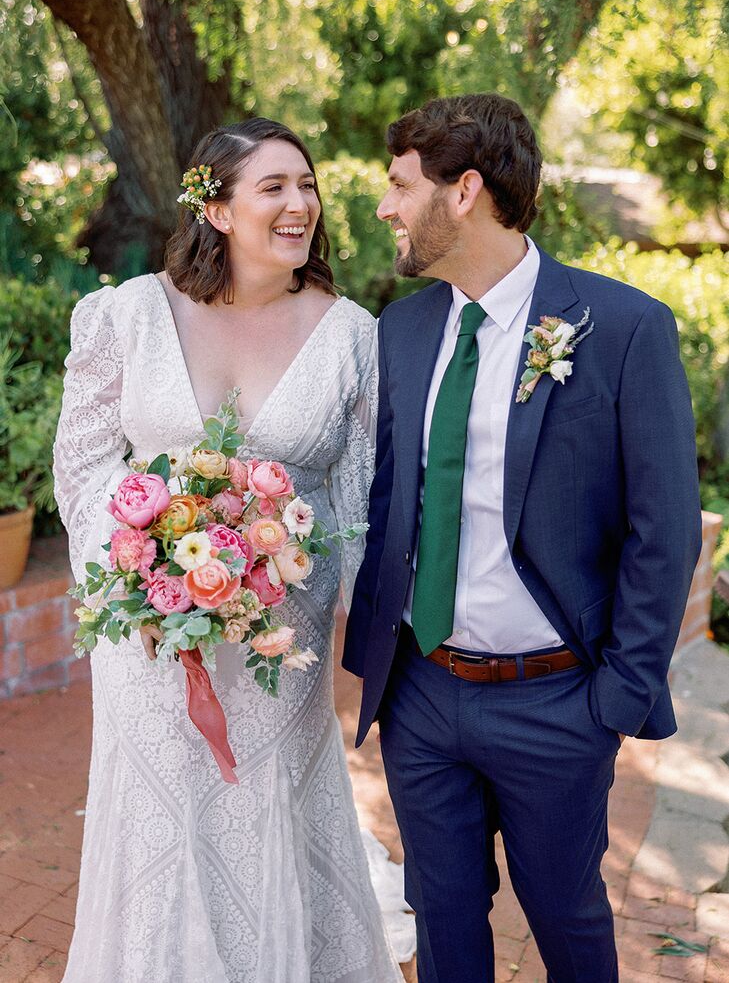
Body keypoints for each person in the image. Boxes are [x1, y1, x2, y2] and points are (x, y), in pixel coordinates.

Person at [343, 93, 703, 983]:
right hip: (422, 697)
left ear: (462, 191)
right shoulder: (404, 328)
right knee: (445, 929)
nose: (385, 206)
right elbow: (394, 498)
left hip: (557, 702)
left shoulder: (621, 328)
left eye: (398, 185)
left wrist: (614, 701)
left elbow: (664, 531)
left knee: (567, 928)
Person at [53, 118, 402, 982]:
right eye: (274, 187)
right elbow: (85, 462)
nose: (300, 205)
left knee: (267, 807)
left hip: (283, 632)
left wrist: (343, 612)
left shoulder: (351, 333)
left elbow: (359, 497)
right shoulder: (123, 315)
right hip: (148, 636)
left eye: (307, 185)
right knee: (162, 813)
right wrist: (144, 561)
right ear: (214, 207)